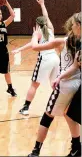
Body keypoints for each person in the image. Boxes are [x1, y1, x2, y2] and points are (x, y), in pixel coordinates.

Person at [28, 12, 81, 157]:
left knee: (47, 116)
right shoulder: (78, 41)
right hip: (79, 83)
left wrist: (35, 37)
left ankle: (35, 151)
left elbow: (35, 47)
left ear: (73, 26)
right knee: (69, 115)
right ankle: (77, 148)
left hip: (66, 84)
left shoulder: (61, 42)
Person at [12, 0, 59, 115]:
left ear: (37, 24)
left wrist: (34, 36)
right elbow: (46, 16)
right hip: (55, 59)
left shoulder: (37, 33)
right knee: (55, 84)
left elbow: (33, 45)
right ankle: (60, 106)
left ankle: (26, 108)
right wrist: (43, 4)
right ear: (46, 22)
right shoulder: (51, 29)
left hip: (45, 59)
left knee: (34, 85)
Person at [52, 50, 81, 156]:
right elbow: (74, 66)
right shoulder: (80, 46)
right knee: (69, 113)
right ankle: (76, 148)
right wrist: (59, 77)